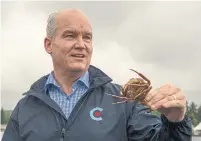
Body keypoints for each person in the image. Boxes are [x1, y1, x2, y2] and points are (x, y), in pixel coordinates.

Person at [2, 9, 192, 141]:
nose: (81, 44)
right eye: (70, 35)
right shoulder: (25, 108)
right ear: (48, 44)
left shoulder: (124, 101)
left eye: (87, 37)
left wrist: (176, 122)